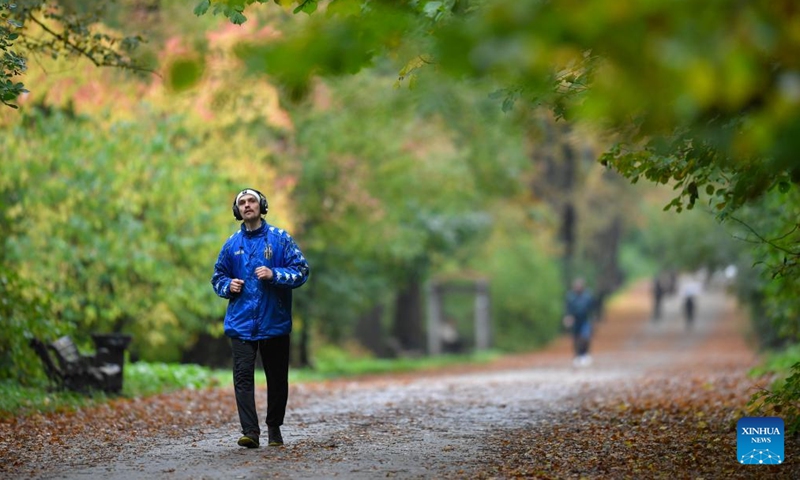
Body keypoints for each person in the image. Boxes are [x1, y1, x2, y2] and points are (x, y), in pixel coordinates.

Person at [211, 188, 310, 448]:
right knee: (243, 378)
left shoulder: (280, 239)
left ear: (261, 205)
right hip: (241, 323)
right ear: (237, 210)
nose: (246, 205)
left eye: (251, 201)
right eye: (241, 203)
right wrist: (227, 286)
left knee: (277, 379)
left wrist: (274, 274)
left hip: (274, 322)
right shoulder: (231, 244)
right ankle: (250, 432)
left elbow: (301, 271)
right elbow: (217, 277)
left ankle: (274, 429)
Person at [562, 278, 596, 367]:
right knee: (576, 339)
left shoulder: (588, 296)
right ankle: (577, 355)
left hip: (585, 320)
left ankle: (585, 354)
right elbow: (567, 309)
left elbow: (592, 309)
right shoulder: (570, 296)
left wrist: (593, 320)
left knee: (585, 337)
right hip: (575, 320)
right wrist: (567, 317)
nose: (578, 288)